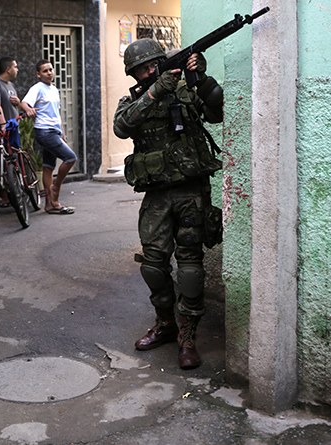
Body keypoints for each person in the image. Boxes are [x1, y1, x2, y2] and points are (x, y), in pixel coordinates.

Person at [113, 39, 224, 369]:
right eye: (140, 70)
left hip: (191, 192)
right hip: (157, 195)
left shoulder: (187, 91)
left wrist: (202, 79)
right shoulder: (134, 100)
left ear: (162, 63)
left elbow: (218, 113)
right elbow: (122, 127)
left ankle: (187, 337)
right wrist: (154, 92)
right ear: (133, 75)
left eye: (152, 66)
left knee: (190, 267)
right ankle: (165, 323)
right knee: (153, 264)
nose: (147, 73)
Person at [20, 59, 77, 214]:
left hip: (54, 131)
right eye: (45, 71)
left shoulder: (54, 89)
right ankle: (55, 189)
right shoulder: (37, 88)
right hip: (44, 132)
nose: (49, 72)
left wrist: (62, 132)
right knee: (70, 158)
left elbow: (56, 113)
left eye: (50, 69)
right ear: (39, 74)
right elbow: (24, 103)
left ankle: (50, 204)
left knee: (48, 167)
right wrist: (28, 110)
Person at [0, 56, 20, 131]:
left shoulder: (11, 85)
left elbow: (17, 108)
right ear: (8, 70)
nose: (17, 70)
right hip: (4, 130)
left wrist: (18, 102)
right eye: (15, 67)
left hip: (14, 128)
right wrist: (3, 126)